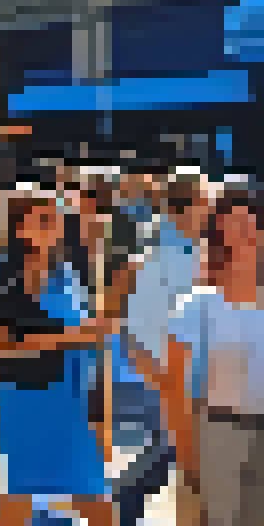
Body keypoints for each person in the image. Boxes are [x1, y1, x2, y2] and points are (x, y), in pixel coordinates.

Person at [0, 195, 116, 526]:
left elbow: (90, 341)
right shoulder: (4, 279)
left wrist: (101, 415)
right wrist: (68, 338)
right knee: (24, 496)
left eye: (55, 219)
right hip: (30, 400)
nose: (54, 227)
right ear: (21, 229)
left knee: (95, 499)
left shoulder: (67, 273)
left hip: (73, 401)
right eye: (43, 221)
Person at [165, 189, 264, 526]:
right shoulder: (196, 304)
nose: (246, 230)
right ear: (220, 235)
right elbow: (175, 390)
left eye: (251, 222)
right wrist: (188, 459)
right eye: (234, 223)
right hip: (218, 433)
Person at [118, 181, 207, 526]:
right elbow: (141, 324)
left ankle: (127, 497)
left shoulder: (164, 252)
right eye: (205, 204)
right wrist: (160, 377)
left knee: (170, 452)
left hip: (166, 373)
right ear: (186, 210)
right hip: (170, 376)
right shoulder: (176, 258)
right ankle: (125, 496)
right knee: (174, 452)